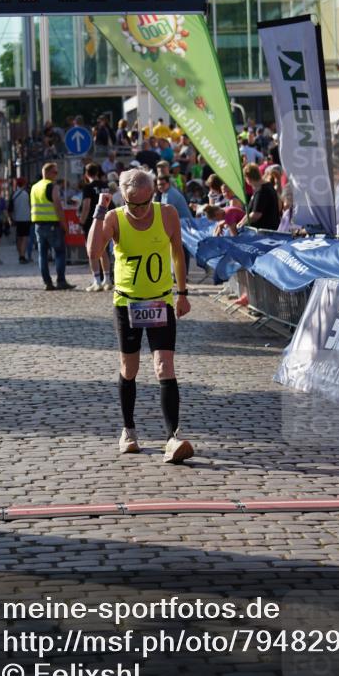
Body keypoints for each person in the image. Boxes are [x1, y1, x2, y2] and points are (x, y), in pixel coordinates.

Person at [87, 167, 193, 464]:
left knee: (164, 366)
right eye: (132, 204)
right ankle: (129, 430)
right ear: (123, 197)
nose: (139, 210)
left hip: (160, 300)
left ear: (153, 195)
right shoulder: (114, 218)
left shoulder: (167, 214)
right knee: (129, 367)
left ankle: (173, 437)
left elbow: (177, 253)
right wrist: (99, 211)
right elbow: (93, 251)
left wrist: (183, 293)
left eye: (144, 203)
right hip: (127, 302)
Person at [30, 162, 75, 290]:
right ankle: (61, 281)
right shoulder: (52, 186)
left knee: (42, 255)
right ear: (48, 173)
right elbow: (58, 206)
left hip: (38, 225)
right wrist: (64, 224)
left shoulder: (34, 187)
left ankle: (47, 283)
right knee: (60, 253)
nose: (56, 175)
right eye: (55, 172)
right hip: (53, 225)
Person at [80, 162, 112, 291]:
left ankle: (97, 281)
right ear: (97, 172)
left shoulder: (88, 187)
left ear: (86, 174)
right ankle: (107, 280)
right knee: (103, 250)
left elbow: (86, 206)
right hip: (106, 219)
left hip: (92, 222)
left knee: (92, 251)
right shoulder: (105, 186)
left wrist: (82, 221)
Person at [237, 165, 280, 231]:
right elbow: (250, 213)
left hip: (264, 232)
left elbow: (256, 215)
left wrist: (242, 225)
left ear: (248, 178)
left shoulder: (262, 191)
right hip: (269, 230)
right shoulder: (266, 186)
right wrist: (241, 222)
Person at [9, 177, 31, 263]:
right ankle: (22, 256)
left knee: (19, 237)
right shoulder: (27, 193)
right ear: (24, 184)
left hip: (17, 218)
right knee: (24, 237)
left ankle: (20, 254)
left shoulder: (14, 194)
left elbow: (10, 208)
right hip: (26, 218)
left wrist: (11, 218)